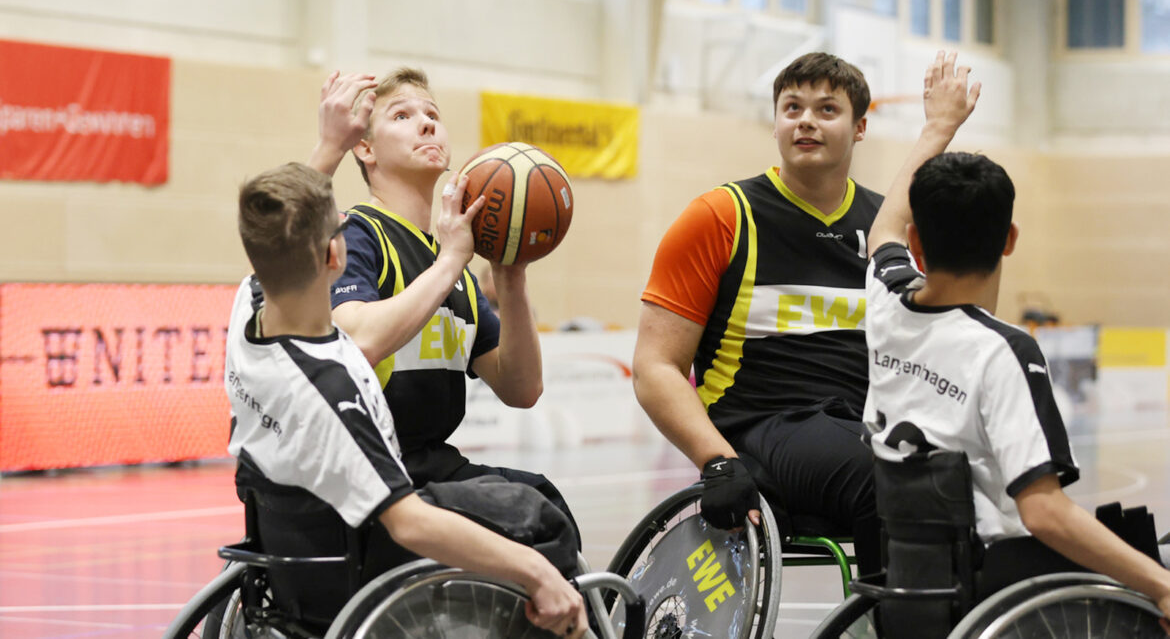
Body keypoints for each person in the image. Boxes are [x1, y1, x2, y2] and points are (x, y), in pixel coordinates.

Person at [863, 50, 1170, 629]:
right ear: (1010, 239)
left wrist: (937, 128)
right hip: (999, 585)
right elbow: (1044, 512)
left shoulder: (885, 300)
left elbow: (883, 228)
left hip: (912, 585)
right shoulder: (1002, 352)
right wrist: (1160, 586)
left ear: (917, 245)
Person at [225, 161, 586, 637]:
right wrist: (535, 572)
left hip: (290, 537)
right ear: (337, 255)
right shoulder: (335, 388)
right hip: (351, 554)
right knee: (536, 514)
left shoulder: (246, 317)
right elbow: (410, 525)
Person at [632, 52, 881, 575]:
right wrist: (716, 459)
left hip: (857, 425)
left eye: (826, 109)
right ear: (775, 124)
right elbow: (656, 367)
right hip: (758, 426)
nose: (806, 120)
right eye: (792, 107)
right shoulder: (719, 217)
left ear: (860, 127)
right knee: (887, 476)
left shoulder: (885, 225)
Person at [305, 69, 578, 535]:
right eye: (403, 115)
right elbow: (360, 338)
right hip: (363, 472)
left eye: (432, 114)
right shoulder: (357, 235)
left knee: (540, 498)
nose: (427, 124)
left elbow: (522, 390)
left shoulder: (457, 271)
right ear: (365, 149)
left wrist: (511, 278)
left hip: (430, 467)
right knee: (531, 520)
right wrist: (451, 260)